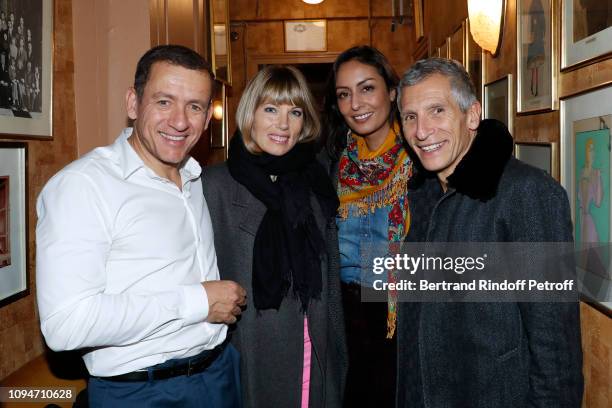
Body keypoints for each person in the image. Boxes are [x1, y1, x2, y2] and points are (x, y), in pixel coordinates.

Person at [36, 45, 246, 408]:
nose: (180, 121)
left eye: (195, 106)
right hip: (140, 393)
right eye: (164, 101)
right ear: (133, 103)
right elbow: (65, 325)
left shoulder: (197, 179)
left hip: (218, 375)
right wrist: (198, 301)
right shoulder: (83, 186)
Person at [396, 57, 584, 407]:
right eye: (410, 117)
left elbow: (554, 345)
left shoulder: (527, 194)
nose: (421, 131)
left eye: (437, 111)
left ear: (471, 115)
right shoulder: (423, 195)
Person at [202, 65, 347, 408]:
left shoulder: (318, 183)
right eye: (270, 109)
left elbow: (331, 284)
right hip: (250, 354)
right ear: (250, 113)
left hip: (315, 347)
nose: (283, 124)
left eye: (294, 112)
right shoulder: (212, 186)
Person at [321, 45, 412, 407]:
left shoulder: (420, 155)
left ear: (392, 91)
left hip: (400, 315)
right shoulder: (332, 159)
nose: (355, 103)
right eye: (344, 94)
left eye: (367, 88)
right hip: (344, 316)